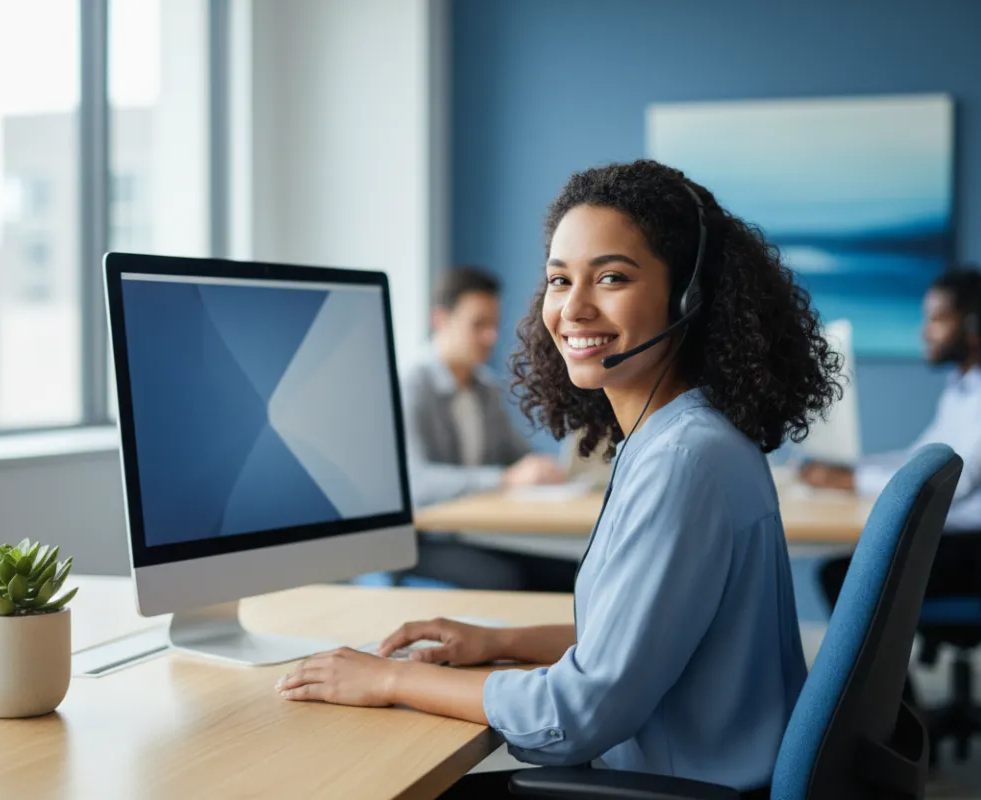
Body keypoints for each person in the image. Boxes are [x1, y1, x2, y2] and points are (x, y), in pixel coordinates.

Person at [275, 159, 843, 797]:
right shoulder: (685, 437)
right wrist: (500, 640)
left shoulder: (683, 462)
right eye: (558, 280)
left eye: (611, 277)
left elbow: (577, 715)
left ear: (690, 297)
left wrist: (388, 680)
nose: (574, 308)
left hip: (677, 785)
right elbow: (640, 639)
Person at [803, 267, 981, 609]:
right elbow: (920, 458)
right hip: (965, 541)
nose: (925, 332)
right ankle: (890, 665)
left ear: (972, 326)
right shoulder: (965, 385)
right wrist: (850, 470)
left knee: (844, 576)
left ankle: (884, 666)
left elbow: (956, 482)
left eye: (937, 320)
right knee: (845, 571)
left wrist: (852, 480)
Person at [401, 266, 573, 591]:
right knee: (506, 578)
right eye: (479, 324)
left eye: (494, 324)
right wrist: (507, 478)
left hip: (476, 530)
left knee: (571, 572)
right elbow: (417, 483)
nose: (491, 336)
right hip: (426, 539)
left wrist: (541, 468)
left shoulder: (484, 386)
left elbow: (516, 456)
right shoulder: (412, 385)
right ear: (440, 320)